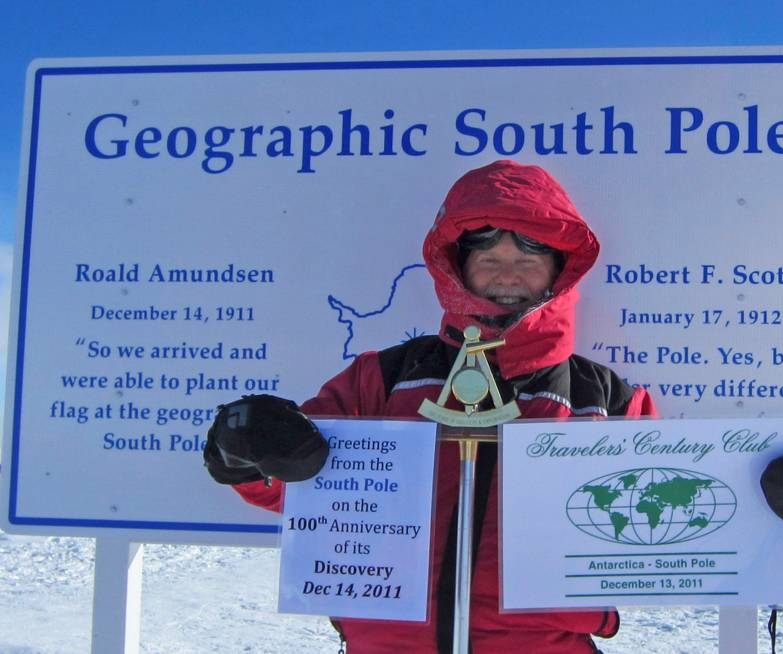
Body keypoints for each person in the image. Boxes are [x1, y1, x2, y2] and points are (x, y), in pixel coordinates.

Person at [205, 159, 660, 653]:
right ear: (457, 266)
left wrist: (756, 495)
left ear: (558, 269)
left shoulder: (605, 400)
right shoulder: (383, 379)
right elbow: (288, 482)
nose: (508, 274)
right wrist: (245, 443)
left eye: (528, 258)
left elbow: (667, 523)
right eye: (488, 258)